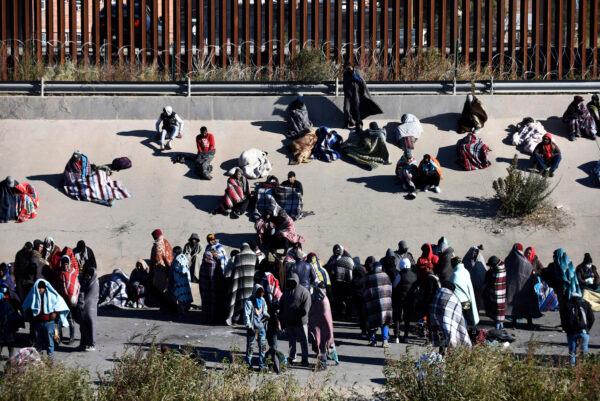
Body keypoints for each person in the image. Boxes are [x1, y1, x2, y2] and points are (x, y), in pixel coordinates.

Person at [62, 151, 131, 206]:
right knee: (96, 190)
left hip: (81, 178)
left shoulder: (78, 162)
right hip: (78, 182)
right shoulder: (103, 172)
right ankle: (103, 199)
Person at [22, 279, 70, 357]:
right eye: (38, 288)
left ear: (45, 288)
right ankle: (38, 361)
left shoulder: (52, 295)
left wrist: (55, 312)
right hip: (37, 323)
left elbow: (59, 304)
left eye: (42, 288)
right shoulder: (33, 295)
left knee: (50, 343)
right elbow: (26, 306)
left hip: (49, 322)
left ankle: (50, 361)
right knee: (38, 343)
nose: (40, 289)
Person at [504, 244, 540, 329]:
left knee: (513, 305)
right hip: (525, 287)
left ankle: (514, 323)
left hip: (512, 287)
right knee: (526, 304)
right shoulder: (524, 261)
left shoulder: (508, 259)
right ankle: (528, 323)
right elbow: (529, 270)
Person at [429, 281, 472, 352]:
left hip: (437, 321)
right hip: (448, 323)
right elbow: (458, 315)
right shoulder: (453, 298)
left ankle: (441, 355)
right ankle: (449, 356)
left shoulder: (437, 295)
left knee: (442, 339)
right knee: (450, 337)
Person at [280, 272, 311, 366]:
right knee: (291, 341)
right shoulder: (287, 292)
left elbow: (306, 308)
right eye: (289, 281)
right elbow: (282, 305)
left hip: (301, 322)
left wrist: (299, 315)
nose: (291, 283)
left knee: (303, 341)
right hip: (289, 322)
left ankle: (305, 359)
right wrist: (282, 318)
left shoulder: (304, 292)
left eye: (293, 281)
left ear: (297, 281)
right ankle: (292, 357)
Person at [225, 243, 257, 326]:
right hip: (251, 282)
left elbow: (236, 271)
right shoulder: (254, 255)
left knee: (239, 301)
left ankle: (236, 320)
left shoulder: (238, 256)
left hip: (241, 282)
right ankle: (247, 320)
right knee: (249, 302)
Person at [363, 260, 393, 347]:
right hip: (385, 304)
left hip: (373, 303)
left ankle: (373, 341)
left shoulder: (369, 277)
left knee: (372, 321)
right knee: (385, 321)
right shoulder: (386, 276)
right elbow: (390, 289)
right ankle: (385, 341)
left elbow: (365, 291)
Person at [309, 281, 338, 369]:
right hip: (324, 325)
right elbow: (327, 315)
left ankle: (322, 363)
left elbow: (311, 312)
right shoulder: (324, 299)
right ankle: (323, 363)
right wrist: (330, 330)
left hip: (316, 325)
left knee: (319, 344)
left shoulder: (313, 297)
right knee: (325, 344)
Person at [559, 291, 594, 365]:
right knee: (584, 349)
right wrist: (587, 328)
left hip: (571, 332)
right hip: (583, 331)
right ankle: (584, 365)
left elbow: (564, 320)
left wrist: (566, 330)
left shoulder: (567, 305)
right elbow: (592, 318)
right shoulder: (586, 304)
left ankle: (572, 366)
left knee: (572, 351)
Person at [342, 65, 382, 129]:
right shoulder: (345, 74)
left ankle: (358, 124)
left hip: (356, 94)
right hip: (347, 94)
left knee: (357, 110)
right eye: (347, 68)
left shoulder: (356, 72)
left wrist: (353, 74)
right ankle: (349, 121)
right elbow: (345, 83)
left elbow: (361, 81)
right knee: (346, 109)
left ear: (352, 67)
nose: (348, 69)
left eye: (349, 67)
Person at [449, 257, 479, 332]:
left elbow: (451, 288)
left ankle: (463, 333)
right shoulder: (465, 271)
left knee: (461, 319)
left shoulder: (455, 274)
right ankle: (469, 333)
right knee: (467, 317)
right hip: (467, 301)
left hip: (459, 301)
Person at [325, 244, 354, 319]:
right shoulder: (346, 258)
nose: (336, 254)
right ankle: (341, 313)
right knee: (340, 299)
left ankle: (345, 314)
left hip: (342, 283)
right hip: (340, 283)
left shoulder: (347, 259)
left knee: (344, 299)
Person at [392, 257, 417, 343]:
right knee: (407, 318)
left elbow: (394, 286)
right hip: (410, 300)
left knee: (397, 318)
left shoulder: (399, 275)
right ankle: (406, 336)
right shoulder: (414, 275)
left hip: (399, 299)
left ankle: (396, 336)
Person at [76, 260, 99, 351]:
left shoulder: (94, 284)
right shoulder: (89, 282)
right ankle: (83, 343)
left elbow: (89, 295)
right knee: (83, 327)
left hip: (91, 308)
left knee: (90, 326)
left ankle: (91, 344)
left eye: (89, 275)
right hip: (85, 307)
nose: (88, 277)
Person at [58, 255, 80, 343]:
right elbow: (58, 286)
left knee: (71, 319)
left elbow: (76, 285)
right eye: (63, 264)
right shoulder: (59, 273)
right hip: (61, 300)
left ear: (69, 264)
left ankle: (72, 337)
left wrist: (73, 296)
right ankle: (60, 337)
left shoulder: (73, 273)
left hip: (71, 300)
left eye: (67, 264)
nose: (65, 266)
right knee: (60, 319)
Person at [483, 256, 507, 330]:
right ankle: (501, 330)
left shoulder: (497, 272)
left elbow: (493, 283)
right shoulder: (502, 267)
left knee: (497, 316)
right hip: (502, 294)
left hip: (496, 295)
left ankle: (498, 331)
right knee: (500, 313)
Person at [149, 229, 173, 300]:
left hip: (161, 269)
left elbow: (156, 259)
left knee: (161, 287)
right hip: (164, 268)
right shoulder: (165, 243)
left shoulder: (158, 246)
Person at [0, 285, 22, 358]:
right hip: (3, 324)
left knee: (10, 342)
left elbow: (19, 306)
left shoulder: (13, 297)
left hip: (10, 323)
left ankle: (11, 358)